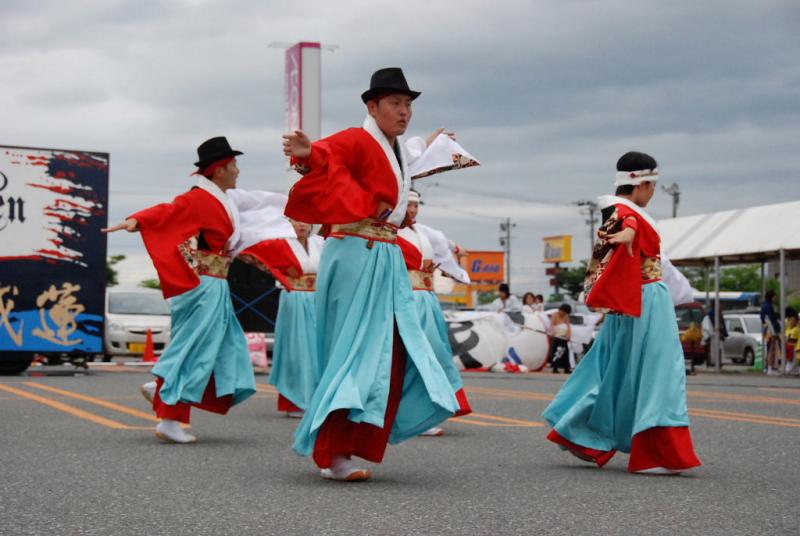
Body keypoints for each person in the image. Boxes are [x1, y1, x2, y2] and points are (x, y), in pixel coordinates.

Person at [282, 67, 460, 482]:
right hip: (357, 250)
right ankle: (333, 452)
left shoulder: (392, 148)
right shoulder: (356, 138)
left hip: (382, 253)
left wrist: (431, 143)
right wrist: (308, 152)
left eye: (408, 104)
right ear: (372, 106)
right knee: (356, 352)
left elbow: (410, 155)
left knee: (389, 351)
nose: (404, 111)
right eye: (395, 104)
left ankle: (351, 443)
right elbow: (328, 155)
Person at [543, 151, 701, 475]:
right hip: (644, 300)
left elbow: (658, 260)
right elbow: (626, 227)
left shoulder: (625, 211)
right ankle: (655, 453)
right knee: (658, 373)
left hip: (635, 298)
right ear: (642, 183)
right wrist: (629, 231)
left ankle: (584, 435)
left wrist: (684, 293)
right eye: (651, 186)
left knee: (616, 371)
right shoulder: (625, 212)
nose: (652, 192)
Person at [103, 137, 258, 444]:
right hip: (204, 285)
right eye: (233, 166)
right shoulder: (199, 199)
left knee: (223, 346)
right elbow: (169, 211)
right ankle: (169, 414)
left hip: (215, 284)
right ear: (218, 170)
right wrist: (137, 219)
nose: (238, 171)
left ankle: (162, 386)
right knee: (195, 349)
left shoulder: (222, 200)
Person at [397, 189, 473, 437]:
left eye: (415, 206)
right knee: (412, 357)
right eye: (408, 205)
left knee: (434, 353)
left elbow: (445, 248)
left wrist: (459, 258)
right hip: (403, 299)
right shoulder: (389, 232)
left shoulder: (425, 233)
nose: (412, 210)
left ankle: (426, 410)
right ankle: (410, 414)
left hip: (426, 300)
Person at [235, 219, 325, 418]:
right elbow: (247, 252)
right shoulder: (279, 244)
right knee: (297, 349)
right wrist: (274, 271)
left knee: (318, 350)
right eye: (296, 222)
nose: (301, 226)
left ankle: (316, 399)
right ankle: (294, 401)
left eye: (305, 222)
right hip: (294, 299)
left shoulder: (320, 243)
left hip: (317, 299)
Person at [761, 290, 781, 375]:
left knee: (769, 348)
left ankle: (768, 368)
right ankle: (770, 368)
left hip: (767, 329)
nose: (775, 298)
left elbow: (763, 318)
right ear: (771, 297)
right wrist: (776, 329)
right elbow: (771, 319)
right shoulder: (768, 306)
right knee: (771, 349)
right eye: (774, 296)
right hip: (771, 330)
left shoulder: (764, 305)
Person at [548, 304, 572, 373]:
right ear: (560, 310)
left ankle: (566, 368)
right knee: (557, 353)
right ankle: (555, 368)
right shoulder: (554, 315)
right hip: (557, 337)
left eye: (565, 313)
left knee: (565, 353)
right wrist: (553, 332)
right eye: (563, 312)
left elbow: (568, 326)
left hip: (564, 337)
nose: (564, 314)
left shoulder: (566, 316)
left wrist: (569, 335)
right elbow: (552, 325)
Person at [784, 308, 799, 375]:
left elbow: (792, 341)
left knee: (789, 369)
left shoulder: (796, 330)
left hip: (794, 349)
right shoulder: (788, 329)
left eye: (793, 320)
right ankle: (795, 370)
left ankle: (794, 370)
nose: (791, 321)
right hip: (789, 349)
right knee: (789, 367)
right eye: (790, 320)